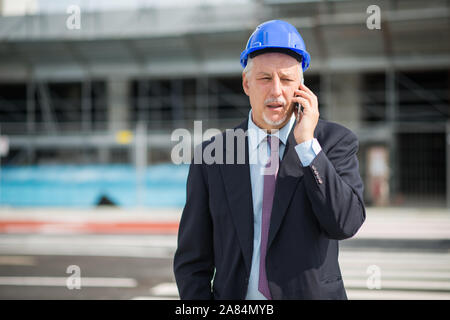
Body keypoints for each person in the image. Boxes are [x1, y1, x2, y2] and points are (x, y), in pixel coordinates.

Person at [173, 20, 366, 300]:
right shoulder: (211, 155)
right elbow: (192, 258)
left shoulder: (334, 142)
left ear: (301, 87)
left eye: (287, 80)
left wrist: (307, 146)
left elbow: (345, 223)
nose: (276, 91)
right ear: (246, 83)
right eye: (265, 78)